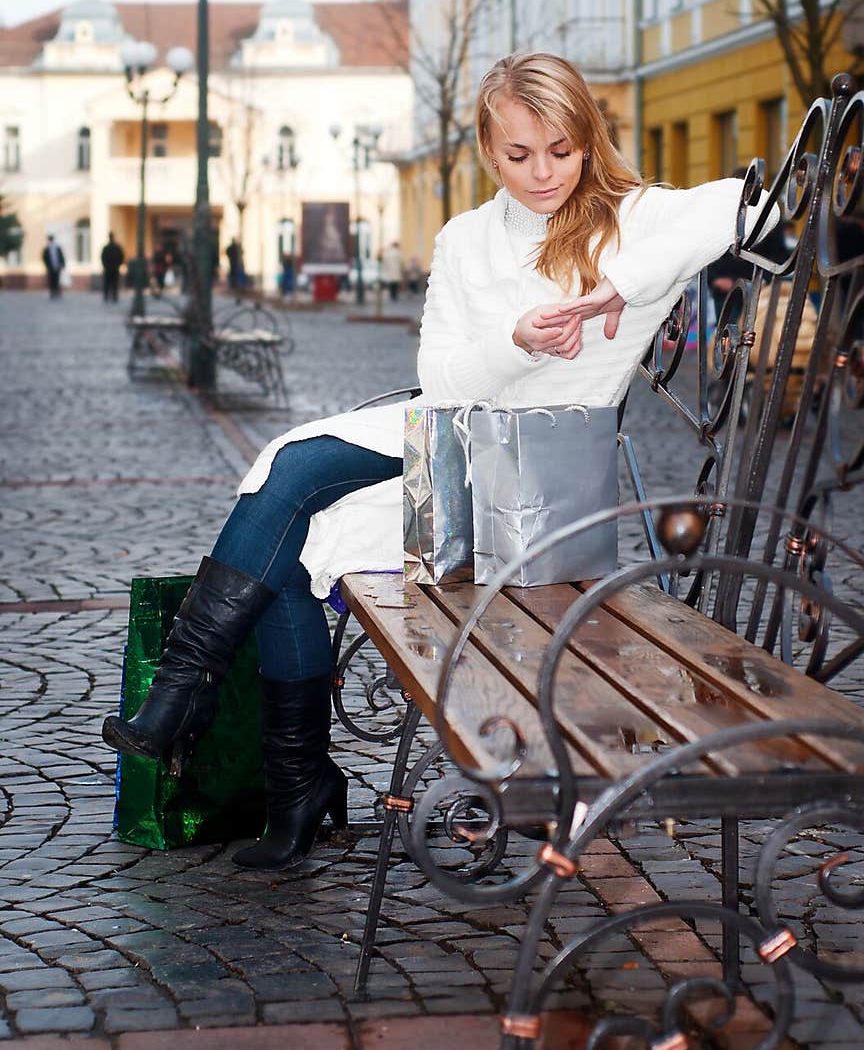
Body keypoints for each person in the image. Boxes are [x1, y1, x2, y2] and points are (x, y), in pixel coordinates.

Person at [101, 51, 778, 872]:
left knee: (293, 501)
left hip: (532, 486)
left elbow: (753, 203)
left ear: (588, 138)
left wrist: (617, 286)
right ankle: (285, 779)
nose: (543, 173)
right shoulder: (465, 237)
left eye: (562, 150)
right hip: (452, 446)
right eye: (519, 154)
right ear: (490, 152)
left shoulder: (638, 217)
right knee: (290, 484)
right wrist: (515, 340)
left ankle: (218, 727)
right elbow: (441, 379)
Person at [100, 233, 125, 303]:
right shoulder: (116, 247)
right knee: (114, 284)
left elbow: (102, 258)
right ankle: (114, 296)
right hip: (114, 268)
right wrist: (118, 265)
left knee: (108, 284)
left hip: (109, 269)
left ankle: (107, 296)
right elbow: (121, 257)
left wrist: (105, 265)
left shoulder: (106, 248)